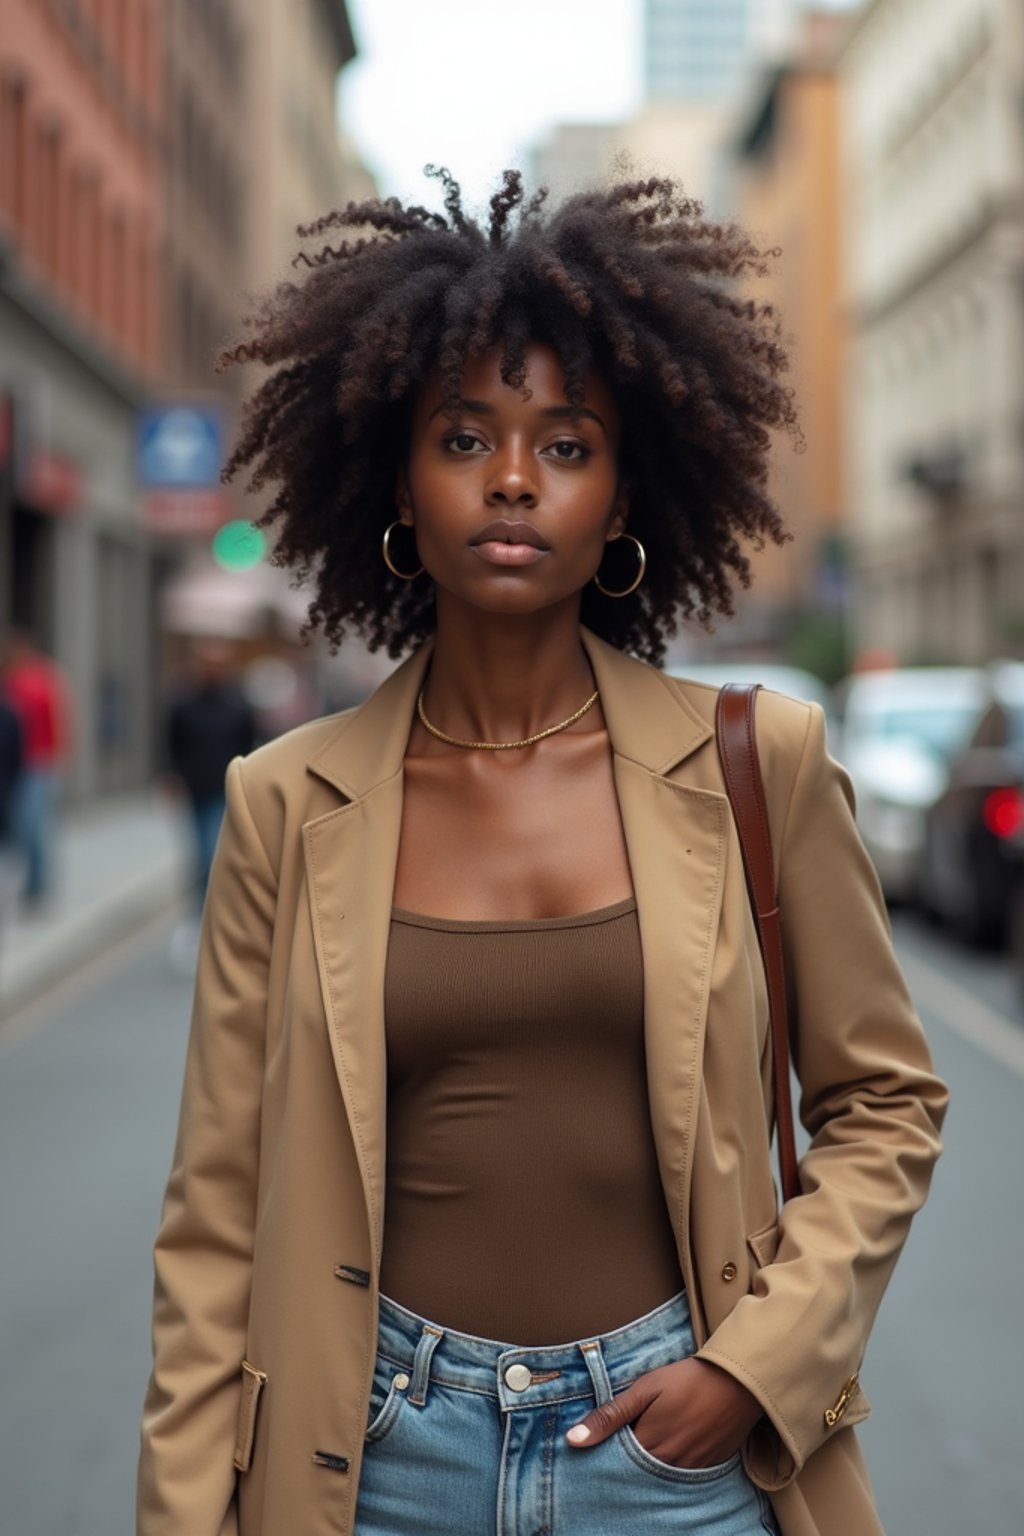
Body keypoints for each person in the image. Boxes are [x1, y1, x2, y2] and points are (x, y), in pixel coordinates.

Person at [137, 171, 948, 1536]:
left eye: (567, 446)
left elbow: (884, 1105)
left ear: (627, 493)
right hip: (377, 1456)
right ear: (397, 475)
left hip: (678, 1460)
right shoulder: (285, 801)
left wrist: (748, 1372)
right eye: (467, 438)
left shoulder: (761, 764)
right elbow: (217, 1218)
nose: (514, 479)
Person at [164, 641, 258, 911]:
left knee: (212, 849)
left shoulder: (238, 707)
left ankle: (211, 904)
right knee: (200, 849)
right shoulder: (184, 705)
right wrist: (172, 777)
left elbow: (248, 746)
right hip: (195, 787)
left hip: (226, 788)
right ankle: (202, 905)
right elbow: (173, 743)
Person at [0, 628, 72, 906]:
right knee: (21, 822)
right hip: (15, 763)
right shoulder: (9, 681)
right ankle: (30, 879)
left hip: (40, 761)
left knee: (34, 823)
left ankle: (38, 883)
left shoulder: (42, 678)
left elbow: (58, 717)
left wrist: (59, 756)